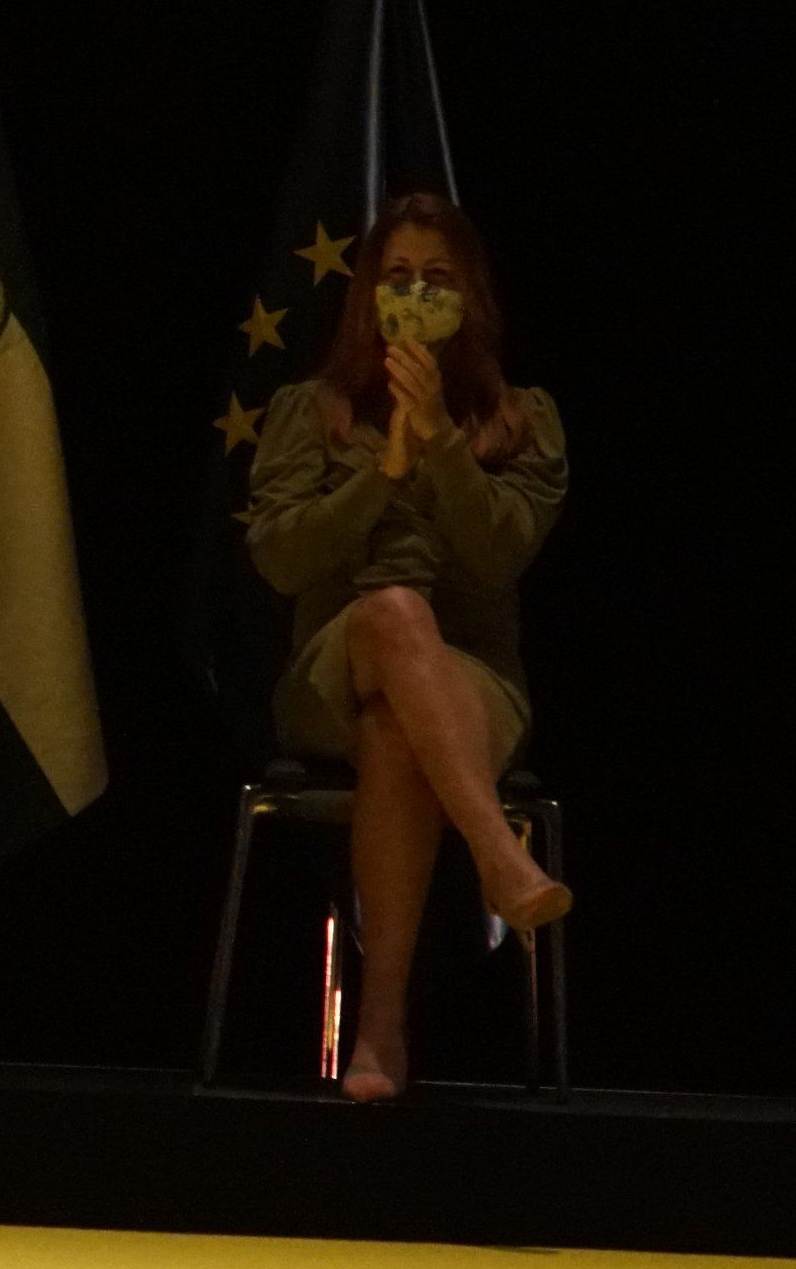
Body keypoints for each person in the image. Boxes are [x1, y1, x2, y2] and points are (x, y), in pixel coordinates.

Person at [243, 189, 573, 1104]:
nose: (416, 293)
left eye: (437, 278)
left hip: (475, 683)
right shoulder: (310, 410)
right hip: (330, 673)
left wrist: (439, 445)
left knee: (402, 728)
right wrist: (382, 469)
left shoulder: (527, 419)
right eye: (398, 278)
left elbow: (501, 553)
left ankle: (379, 1019)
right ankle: (498, 858)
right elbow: (280, 558)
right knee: (391, 615)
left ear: (471, 297)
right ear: (368, 298)